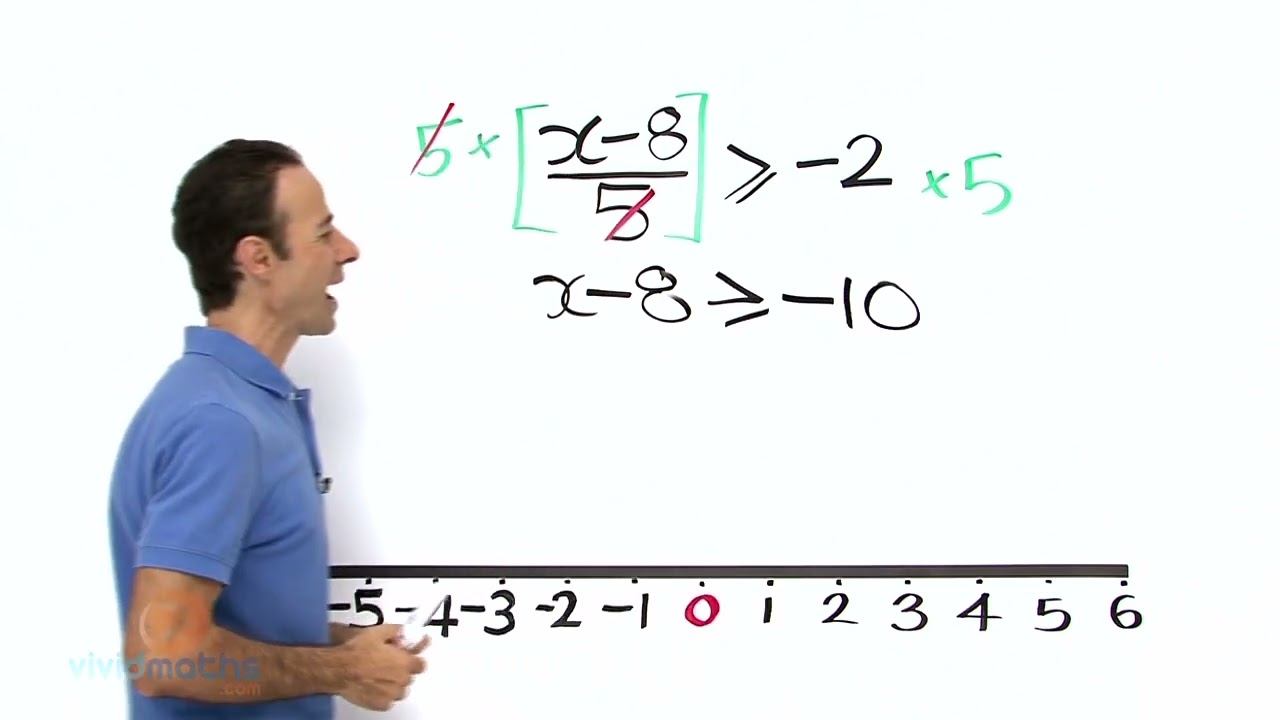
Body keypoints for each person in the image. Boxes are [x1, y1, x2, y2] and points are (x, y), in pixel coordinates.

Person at [108, 139, 425, 718]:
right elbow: (165, 656)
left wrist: (337, 645)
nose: (347, 251)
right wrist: (342, 671)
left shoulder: (238, 404)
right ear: (258, 259)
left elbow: (231, 620)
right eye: (323, 233)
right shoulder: (220, 424)